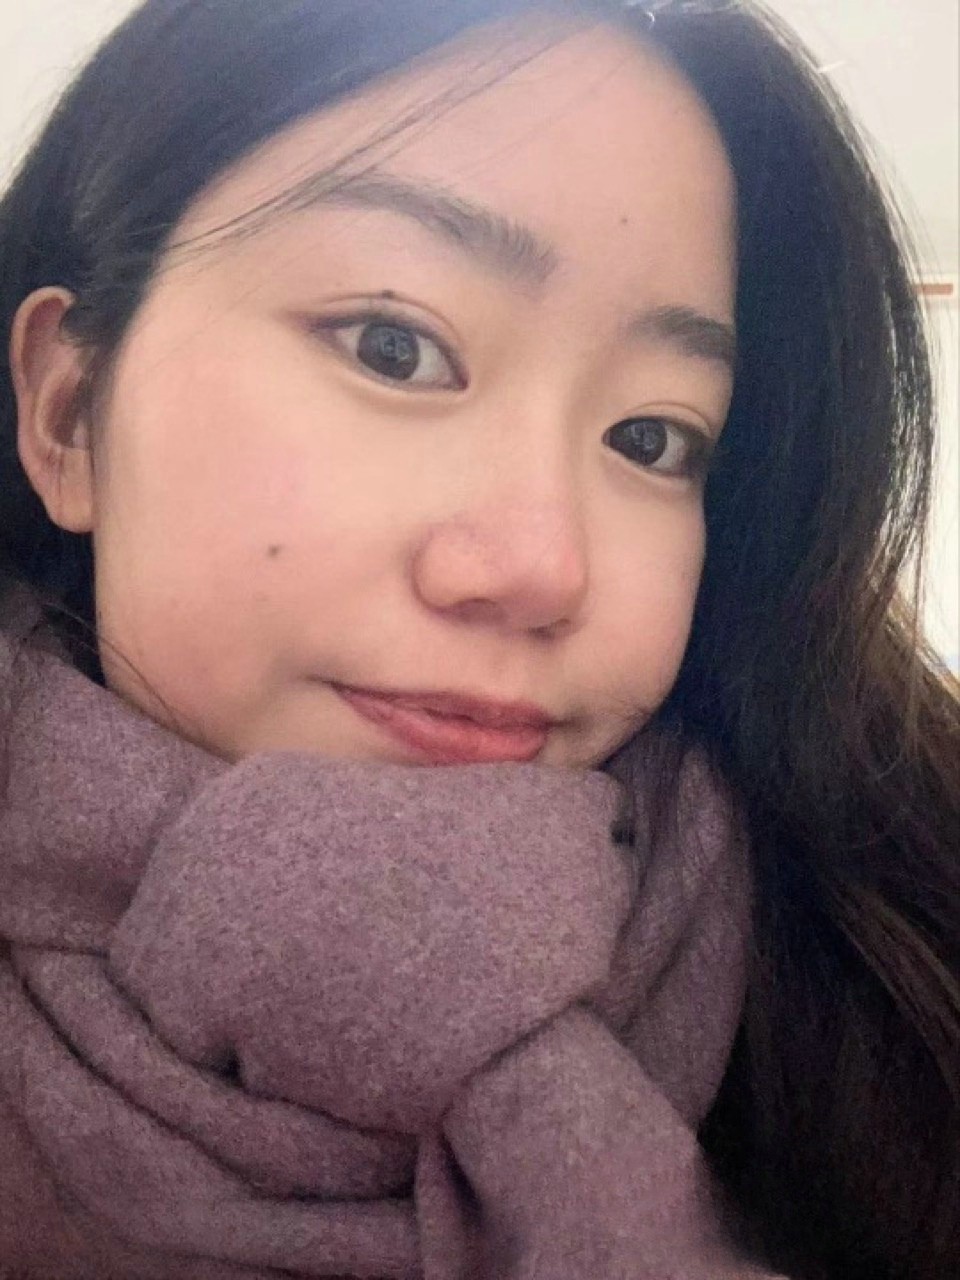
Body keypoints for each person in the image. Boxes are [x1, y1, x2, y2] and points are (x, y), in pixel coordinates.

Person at [0, 0, 956, 1277]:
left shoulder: (886, 958)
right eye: (394, 347)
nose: (541, 569)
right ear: (69, 410)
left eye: (652, 437)